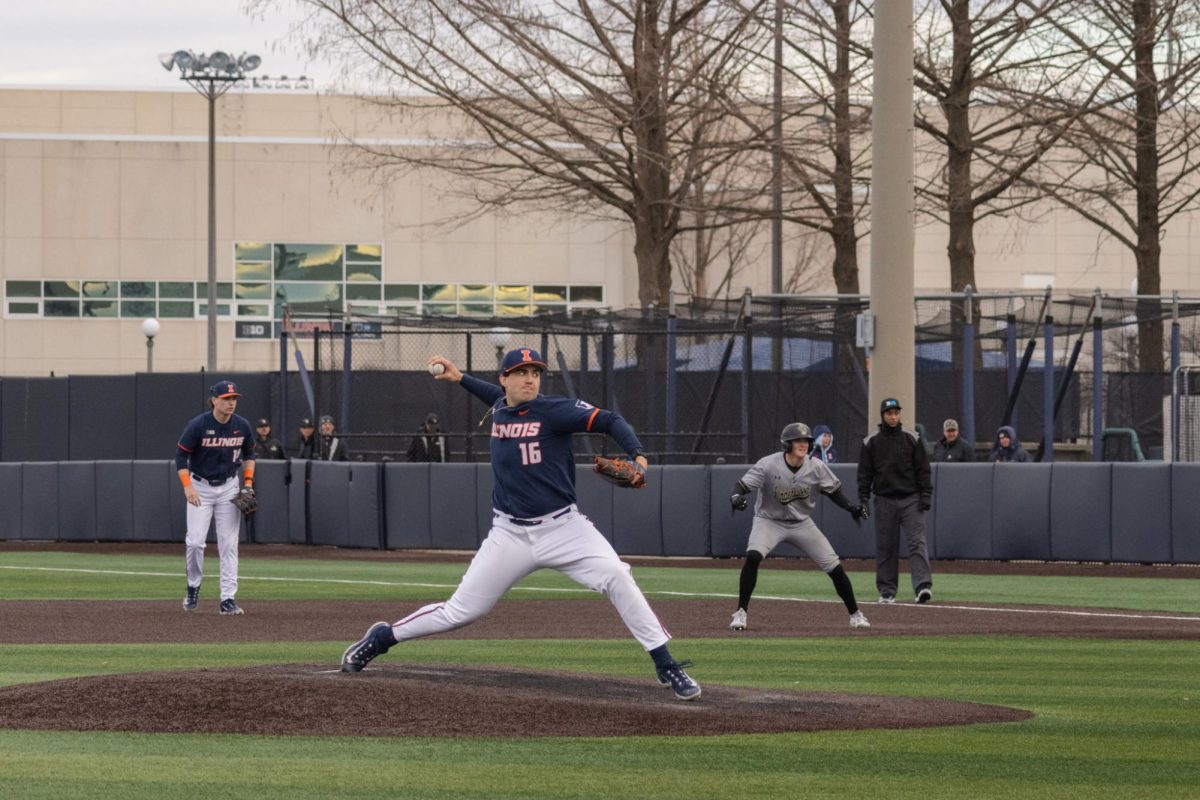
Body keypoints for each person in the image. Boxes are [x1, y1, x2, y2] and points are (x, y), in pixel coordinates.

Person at [340, 346, 701, 700]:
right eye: (522, 373)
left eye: (535, 373)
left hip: (564, 529)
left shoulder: (554, 410)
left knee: (618, 576)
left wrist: (637, 454)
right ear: (505, 380)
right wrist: (460, 377)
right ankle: (382, 638)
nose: (530, 379)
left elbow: (609, 420)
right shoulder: (500, 405)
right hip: (509, 534)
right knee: (461, 611)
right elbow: (492, 395)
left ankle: (665, 663)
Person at [728, 422, 871, 631]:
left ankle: (856, 614)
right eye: (798, 440)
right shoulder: (769, 464)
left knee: (834, 567)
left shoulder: (816, 466)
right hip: (769, 520)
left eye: (806, 440)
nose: (803, 444)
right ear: (787, 444)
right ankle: (740, 613)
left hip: (801, 523)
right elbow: (740, 486)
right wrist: (735, 497)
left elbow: (834, 492)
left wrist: (852, 508)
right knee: (753, 556)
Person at [174, 380, 256, 616]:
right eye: (226, 398)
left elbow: (249, 453)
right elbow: (181, 456)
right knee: (195, 542)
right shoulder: (198, 425)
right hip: (200, 486)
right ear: (214, 400)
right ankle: (193, 585)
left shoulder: (242, 425)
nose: (231, 403)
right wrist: (187, 486)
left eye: (234, 399)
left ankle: (228, 599)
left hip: (230, 486)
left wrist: (248, 483)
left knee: (229, 544)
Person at [857, 398, 934, 605]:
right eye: (889, 413)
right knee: (885, 547)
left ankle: (923, 587)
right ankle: (887, 591)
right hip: (884, 500)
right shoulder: (870, 442)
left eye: (896, 413)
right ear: (883, 415)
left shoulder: (912, 438)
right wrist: (863, 499)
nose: (893, 416)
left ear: (900, 414)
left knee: (917, 542)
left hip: (911, 499)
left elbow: (923, 469)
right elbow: (864, 474)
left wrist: (926, 494)